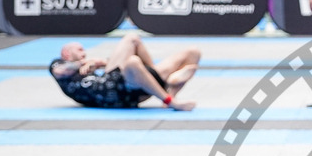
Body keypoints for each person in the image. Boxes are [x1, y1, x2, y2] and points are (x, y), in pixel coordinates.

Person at [49, 34, 200, 111]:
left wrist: (99, 63)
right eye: (80, 49)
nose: (84, 52)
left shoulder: (91, 67)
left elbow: (113, 65)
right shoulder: (59, 64)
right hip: (110, 92)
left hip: (128, 84)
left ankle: (159, 82)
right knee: (133, 61)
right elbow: (61, 71)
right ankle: (170, 100)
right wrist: (84, 63)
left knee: (193, 53)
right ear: (66, 53)